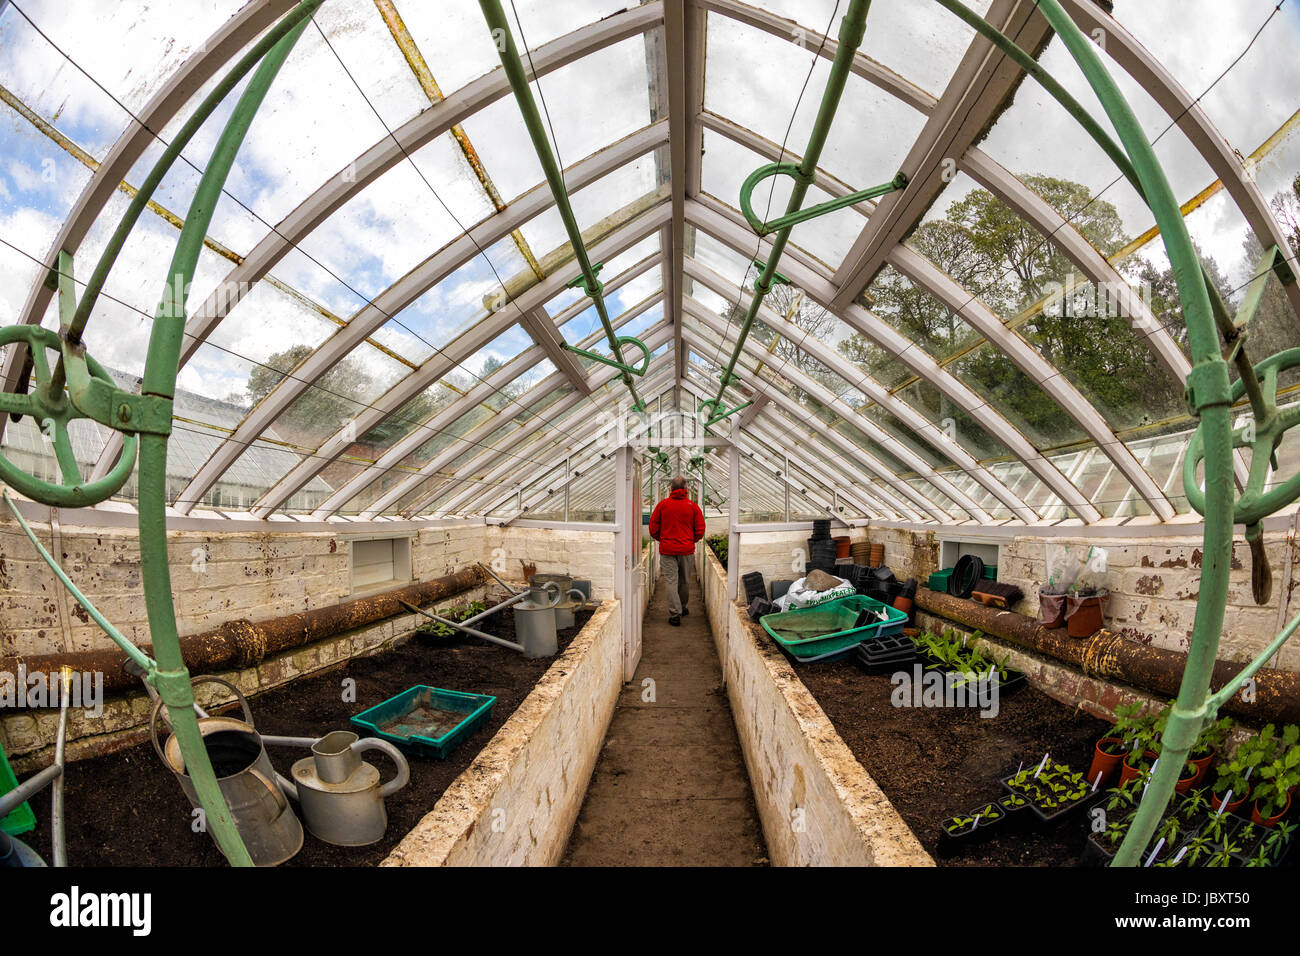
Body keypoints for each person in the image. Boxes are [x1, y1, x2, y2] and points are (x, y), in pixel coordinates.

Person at [647, 475, 706, 626]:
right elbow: (700, 529)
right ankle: (683, 607)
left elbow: (653, 527)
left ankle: (675, 614)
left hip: (667, 550)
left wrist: (663, 539)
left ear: (671, 489)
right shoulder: (692, 506)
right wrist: (690, 541)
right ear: (685, 489)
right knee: (685, 580)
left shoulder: (662, 505)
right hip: (686, 550)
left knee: (671, 581)